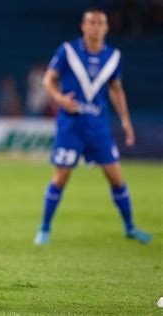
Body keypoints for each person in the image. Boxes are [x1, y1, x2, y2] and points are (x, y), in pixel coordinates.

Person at [34, 8, 152, 246]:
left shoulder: (114, 56)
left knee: (116, 178)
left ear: (107, 28)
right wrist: (59, 99)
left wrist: (126, 121)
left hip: (98, 127)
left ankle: (130, 227)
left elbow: (116, 89)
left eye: (100, 23)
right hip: (71, 125)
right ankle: (44, 229)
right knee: (61, 177)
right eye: (92, 22)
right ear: (83, 26)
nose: (96, 27)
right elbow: (48, 79)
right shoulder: (68, 50)